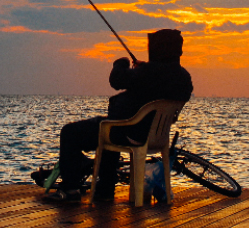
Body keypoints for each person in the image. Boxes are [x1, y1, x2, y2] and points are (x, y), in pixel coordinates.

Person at [45, 29, 193, 202]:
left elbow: (117, 80)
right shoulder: (183, 77)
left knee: (70, 132)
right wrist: (143, 68)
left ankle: (70, 190)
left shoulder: (149, 73)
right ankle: (104, 190)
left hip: (128, 132)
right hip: (153, 136)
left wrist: (121, 63)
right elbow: (156, 79)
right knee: (112, 125)